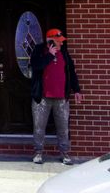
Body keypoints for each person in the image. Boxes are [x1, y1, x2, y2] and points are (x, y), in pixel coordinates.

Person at [30, 28, 83, 165]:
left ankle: (64, 153)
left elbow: (71, 71)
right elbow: (35, 66)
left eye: (61, 41)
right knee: (39, 126)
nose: (61, 44)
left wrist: (76, 90)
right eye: (58, 41)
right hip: (42, 97)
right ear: (50, 41)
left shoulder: (64, 53)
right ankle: (38, 153)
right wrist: (49, 55)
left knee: (63, 127)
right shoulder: (39, 50)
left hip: (61, 98)